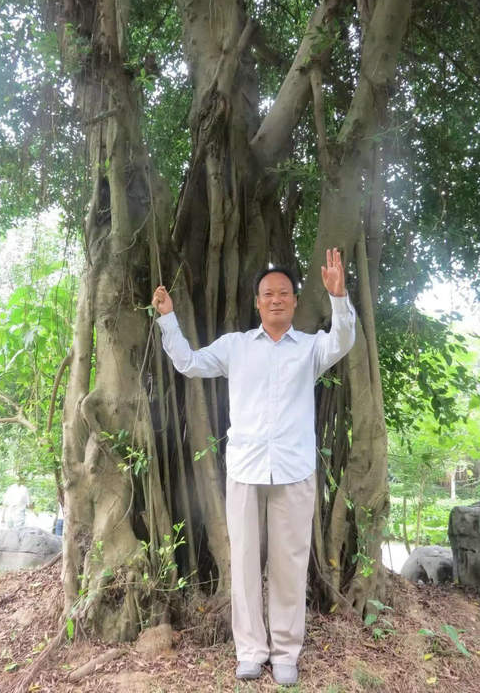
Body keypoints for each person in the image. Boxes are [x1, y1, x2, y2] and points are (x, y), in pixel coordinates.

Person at [151, 248, 356, 686]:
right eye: (268, 294)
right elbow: (189, 363)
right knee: (244, 563)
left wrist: (339, 297)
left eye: (284, 293)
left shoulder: (311, 348)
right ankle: (249, 651)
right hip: (245, 468)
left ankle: (285, 653)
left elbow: (342, 341)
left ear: (294, 302)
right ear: (257, 303)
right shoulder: (236, 347)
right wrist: (168, 319)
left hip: (294, 470)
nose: (276, 299)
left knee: (289, 565)